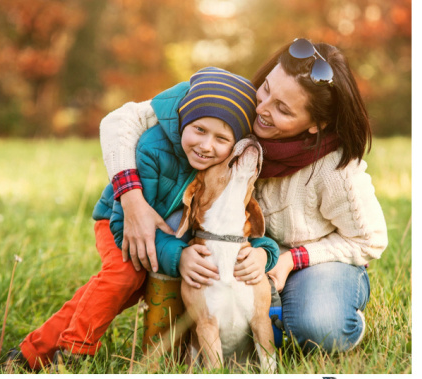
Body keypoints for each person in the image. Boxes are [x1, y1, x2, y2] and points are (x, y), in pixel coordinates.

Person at [97, 38, 388, 353]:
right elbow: (120, 121)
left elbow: (369, 240)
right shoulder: (235, 108)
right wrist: (131, 198)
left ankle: (334, 320)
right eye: (266, 89)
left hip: (314, 260)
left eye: (282, 109)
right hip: (242, 252)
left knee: (319, 328)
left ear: (316, 124)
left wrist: (292, 259)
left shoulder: (336, 172)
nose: (261, 109)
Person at [4, 67, 280, 372]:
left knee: (113, 291)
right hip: (119, 222)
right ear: (184, 120)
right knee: (125, 277)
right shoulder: (153, 149)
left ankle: (31, 353)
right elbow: (128, 225)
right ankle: (73, 352)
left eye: (221, 138)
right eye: (199, 130)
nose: (206, 145)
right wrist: (177, 257)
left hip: (164, 232)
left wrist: (265, 251)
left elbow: (235, 229)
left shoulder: (219, 170)